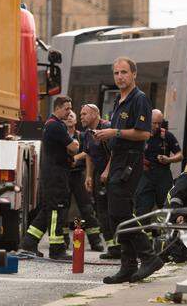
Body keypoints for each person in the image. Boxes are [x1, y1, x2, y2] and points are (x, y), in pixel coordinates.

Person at [94, 57, 164, 284]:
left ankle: (149, 257)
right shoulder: (118, 99)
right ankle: (128, 265)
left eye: (124, 72)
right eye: (116, 73)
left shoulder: (139, 99)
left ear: (134, 74)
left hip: (130, 161)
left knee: (120, 212)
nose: (120, 77)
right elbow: (115, 138)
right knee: (117, 214)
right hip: (117, 161)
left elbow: (144, 134)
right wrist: (106, 167)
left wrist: (115, 132)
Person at [19, 96, 79, 260]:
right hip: (56, 176)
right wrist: (75, 144)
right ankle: (57, 248)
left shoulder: (52, 124)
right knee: (56, 212)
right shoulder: (56, 126)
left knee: (47, 211)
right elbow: (73, 147)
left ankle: (29, 243)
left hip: (52, 175)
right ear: (58, 108)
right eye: (67, 108)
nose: (69, 112)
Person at [80, 103, 120, 259]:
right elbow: (88, 154)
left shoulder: (106, 129)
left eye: (84, 114)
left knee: (114, 211)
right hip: (99, 174)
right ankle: (112, 248)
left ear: (95, 114)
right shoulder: (87, 133)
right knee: (101, 211)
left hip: (113, 173)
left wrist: (107, 171)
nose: (81, 117)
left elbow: (115, 152)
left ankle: (121, 246)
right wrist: (89, 176)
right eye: (81, 114)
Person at [61, 111, 104, 252]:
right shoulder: (60, 134)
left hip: (78, 175)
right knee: (64, 209)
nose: (69, 118)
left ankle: (95, 241)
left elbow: (88, 151)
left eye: (71, 116)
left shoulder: (83, 135)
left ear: (75, 122)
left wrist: (75, 158)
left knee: (86, 209)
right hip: (64, 176)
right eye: (66, 116)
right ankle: (64, 241)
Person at [134, 109, 182, 217]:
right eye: (154, 123)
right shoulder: (140, 135)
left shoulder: (167, 136)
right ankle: (142, 232)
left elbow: (180, 155)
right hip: (145, 175)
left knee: (165, 207)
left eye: (159, 123)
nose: (156, 126)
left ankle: (162, 231)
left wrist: (168, 159)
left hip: (163, 175)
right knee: (142, 207)